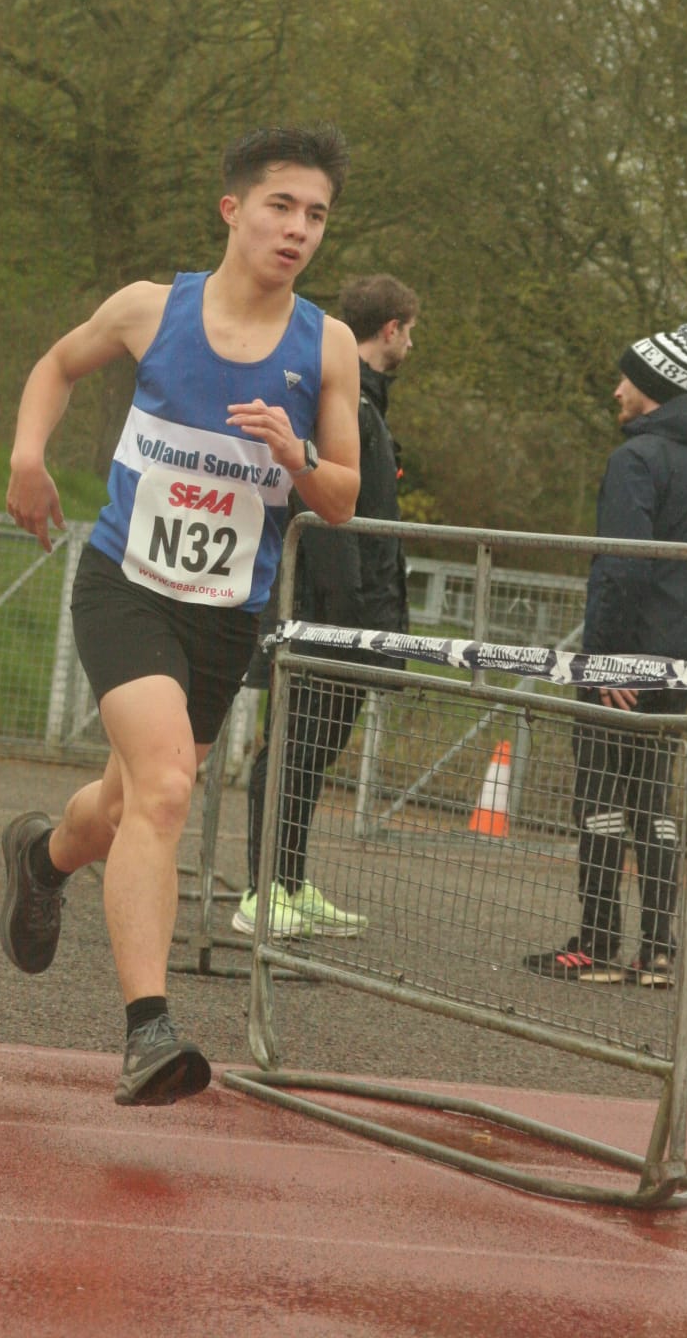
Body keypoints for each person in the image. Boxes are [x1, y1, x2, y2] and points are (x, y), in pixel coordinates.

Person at [0, 125, 361, 1106]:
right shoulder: (150, 309)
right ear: (232, 209)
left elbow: (342, 499)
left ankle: (44, 855)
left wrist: (295, 456)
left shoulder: (327, 345)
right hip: (126, 584)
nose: (298, 229)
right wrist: (28, 456)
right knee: (165, 792)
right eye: (281, 206)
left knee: (127, 808)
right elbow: (56, 366)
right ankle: (148, 1031)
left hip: (224, 614)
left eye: (317, 214)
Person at [523, 322, 687, 987]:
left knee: (599, 798)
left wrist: (607, 660)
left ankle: (596, 945)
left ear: (651, 388)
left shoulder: (636, 460)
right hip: (678, 670)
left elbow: (622, 566)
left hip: (622, 667)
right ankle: (657, 950)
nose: (617, 390)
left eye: (627, 379)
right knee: (655, 806)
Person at [234, 272, 419, 939]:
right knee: (290, 749)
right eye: (410, 331)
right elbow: (329, 522)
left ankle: (289, 880)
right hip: (321, 619)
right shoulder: (344, 406)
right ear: (391, 330)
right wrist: (347, 619)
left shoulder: (366, 408)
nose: (411, 344)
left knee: (314, 754)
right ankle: (262, 891)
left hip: (348, 620)